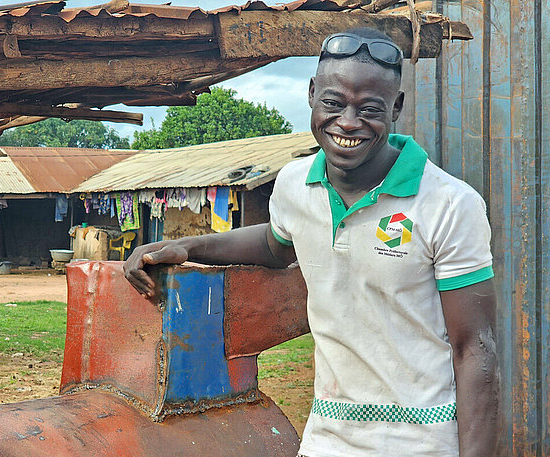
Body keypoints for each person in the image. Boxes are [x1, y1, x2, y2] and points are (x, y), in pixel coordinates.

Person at [124, 27, 498, 457]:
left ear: (396, 107)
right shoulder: (294, 183)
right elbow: (274, 243)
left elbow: (475, 351)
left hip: (422, 443)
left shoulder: (450, 204)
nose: (349, 123)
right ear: (311, 95)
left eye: (369, 108)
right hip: (327, 438)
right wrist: (190, 247)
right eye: (334, 104)